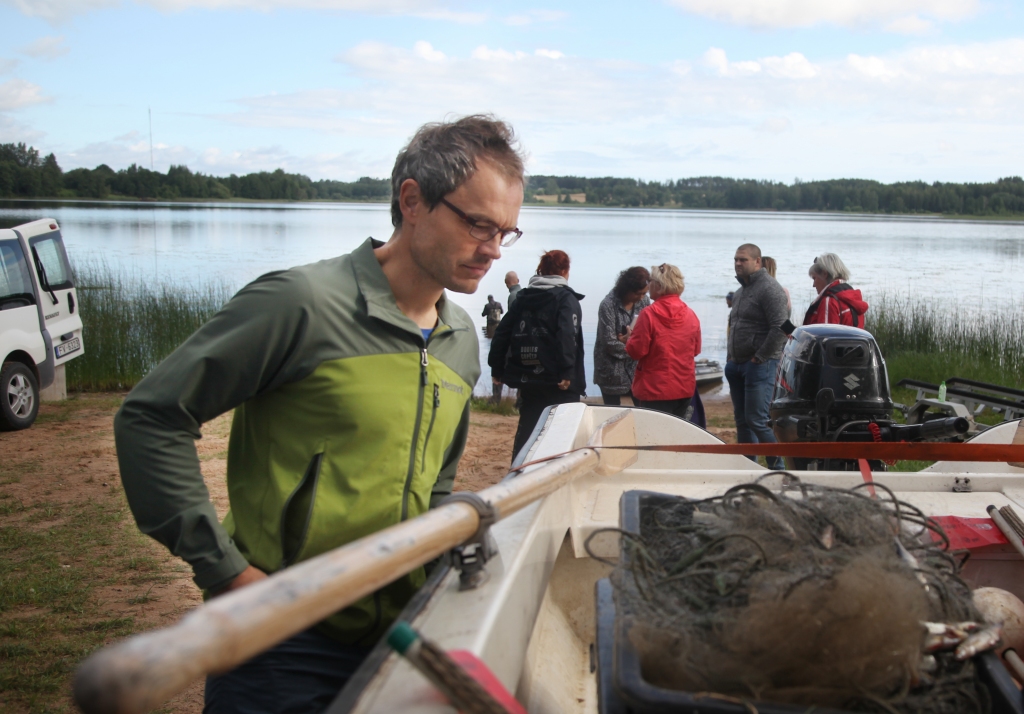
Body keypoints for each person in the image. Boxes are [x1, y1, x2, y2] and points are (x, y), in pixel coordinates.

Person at [113, 115, 526, 712]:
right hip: (280, 639)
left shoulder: (460, 339)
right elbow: (152, 417)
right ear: (413, 200)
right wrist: (226, 574)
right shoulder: (300, 304)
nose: (491, 250)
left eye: (506, 232)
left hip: (402, 631)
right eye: (478, 224)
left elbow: (436, 481)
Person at [489, 250, 585, 459]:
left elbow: (502, 332)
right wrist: (568, 371)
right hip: (559, 380)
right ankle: (555, 470)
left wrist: (496, 368)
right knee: (562, 430)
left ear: (541, 270)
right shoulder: (566, 299)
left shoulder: (523, 297)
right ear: (566, 271)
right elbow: (567, 335)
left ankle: (519, 468)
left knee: (529, 426)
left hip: (528, 377)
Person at [725, 243, 789, 471]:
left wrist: (759, 358)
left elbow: (782, 327)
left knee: (758, 420)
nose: (738, 263)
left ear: (758, 262)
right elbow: (736, 325)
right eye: (736, 259)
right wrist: (730, 359)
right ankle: (747, 468)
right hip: (737, 366)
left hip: (760, 366)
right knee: (742, 422)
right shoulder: (742, 291)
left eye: (743, 259)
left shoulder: (770, 289)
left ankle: (778, 468)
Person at [625, 264, 701, 419]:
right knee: (676, 435)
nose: (648, 285)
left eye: (650, 281)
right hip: (683, 387)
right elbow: (696, 350)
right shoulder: (690, 314)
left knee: (653, 436)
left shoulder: (648, 315)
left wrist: (629, 339)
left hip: (654, 389)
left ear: (658, 286)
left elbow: (636, 351)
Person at [594, 266, 650, 405]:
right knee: (613, 414)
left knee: (644, 411)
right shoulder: (608, 305)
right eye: (638, 293)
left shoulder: (644, 302)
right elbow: (609, 343)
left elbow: (647, 334)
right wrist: (635, 348)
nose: (642, 297)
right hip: (611, 371)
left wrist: (627, 342)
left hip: (635, 371)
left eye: (644, 293)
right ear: (627, 289)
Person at [804, 253, 868, 327]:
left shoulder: (829, 301)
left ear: (825, 274)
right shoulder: (851, 297)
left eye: (814, 278)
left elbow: (825, 336)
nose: (813, 285)